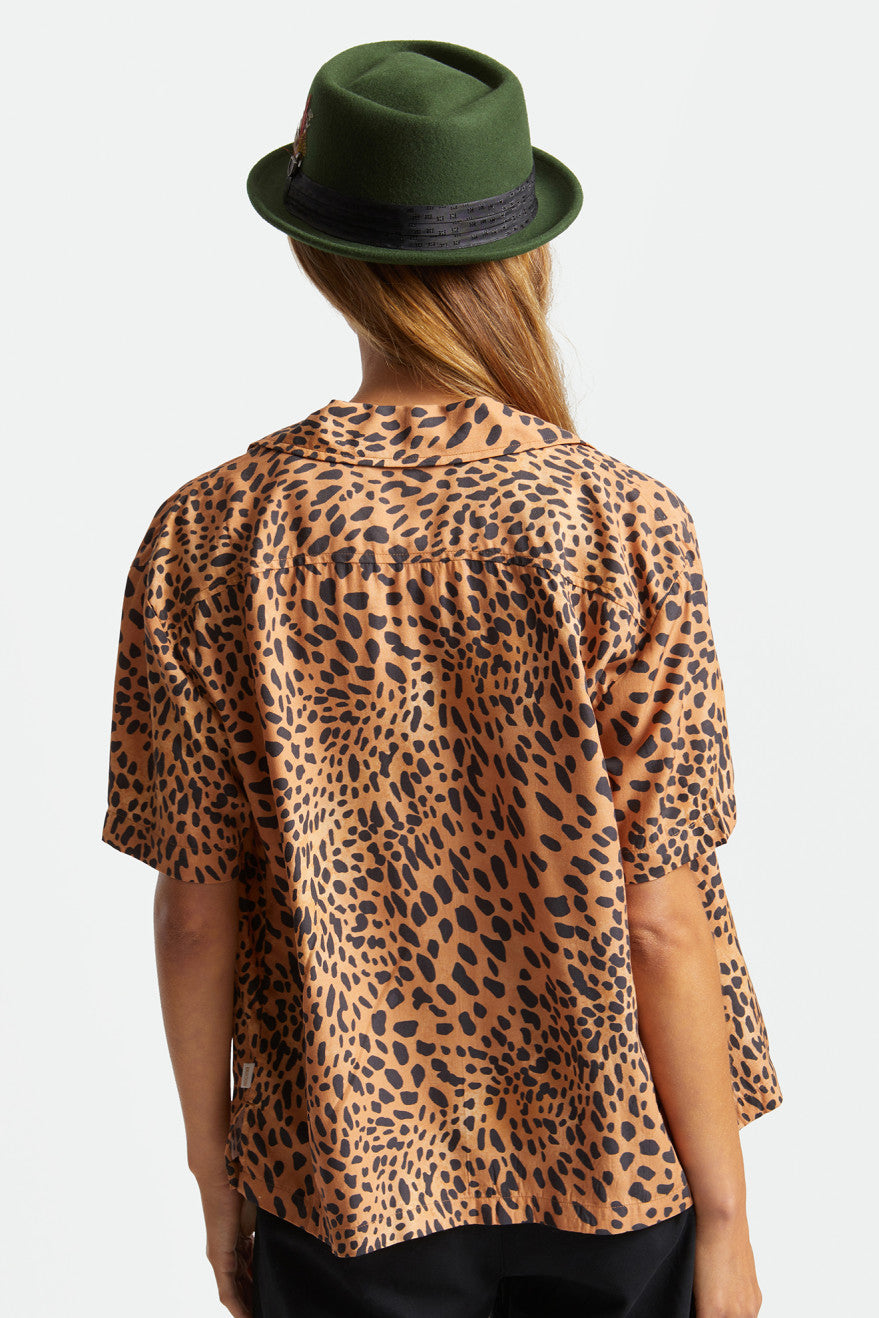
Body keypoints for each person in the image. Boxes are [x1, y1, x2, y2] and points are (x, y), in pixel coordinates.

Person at [100, 38, 783, 1318]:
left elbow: (195, 910)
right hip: (615, 1170)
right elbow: (661, 914)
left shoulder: (211, 535)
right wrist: (729, 1219)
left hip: (342, 1179)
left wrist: (213, 1175)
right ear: (527, 252)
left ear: (318, 257)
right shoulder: (622, 525)